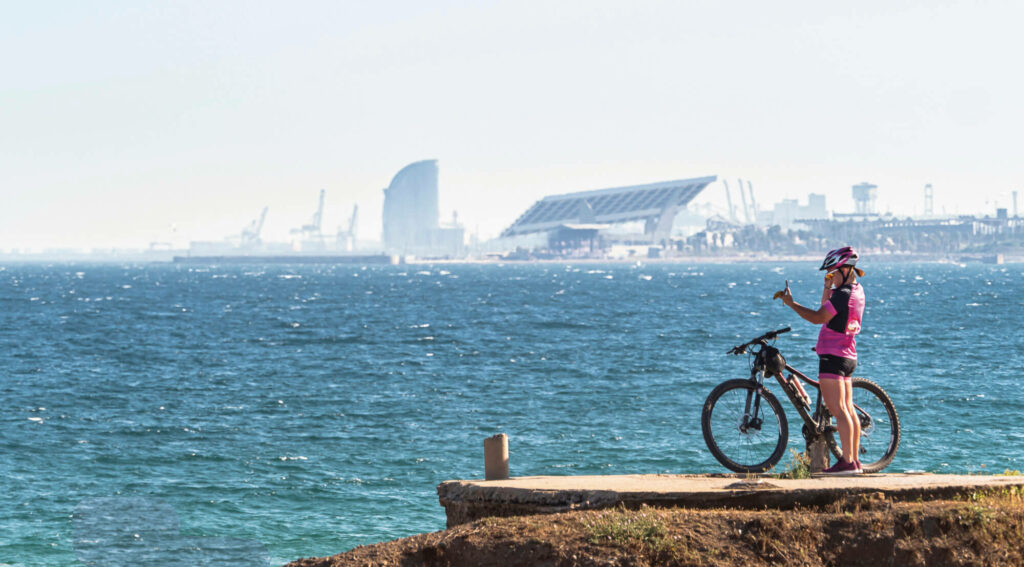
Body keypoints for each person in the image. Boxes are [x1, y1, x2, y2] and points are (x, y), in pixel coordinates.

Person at [779, 247, 866, 475]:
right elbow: (826, 308)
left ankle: (847, 463)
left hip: (832, 356)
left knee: (838, 410)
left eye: (833, 273)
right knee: (847, 409)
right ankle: (854, 461)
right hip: (847, 354)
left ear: (846, 270)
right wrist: (827, 287)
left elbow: (818, 317)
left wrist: (791, 303)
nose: (831, 276)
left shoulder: (843, 294)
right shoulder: (856, 290)